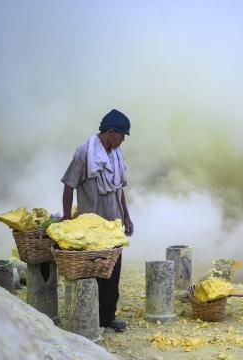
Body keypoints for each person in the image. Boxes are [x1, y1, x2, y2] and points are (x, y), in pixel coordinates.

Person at [60, 109, 134, 332]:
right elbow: (69, 185)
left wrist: (127, 216)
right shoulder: (84, 153)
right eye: (121, 135)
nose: (122, 140)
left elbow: (119, 189)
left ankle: (107, 317)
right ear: (110, 132)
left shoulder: (116, 155)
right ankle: (89, 318)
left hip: (113, 225)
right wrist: (66, 218)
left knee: (112, 272)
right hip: (91, 226)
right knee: (93, 273)